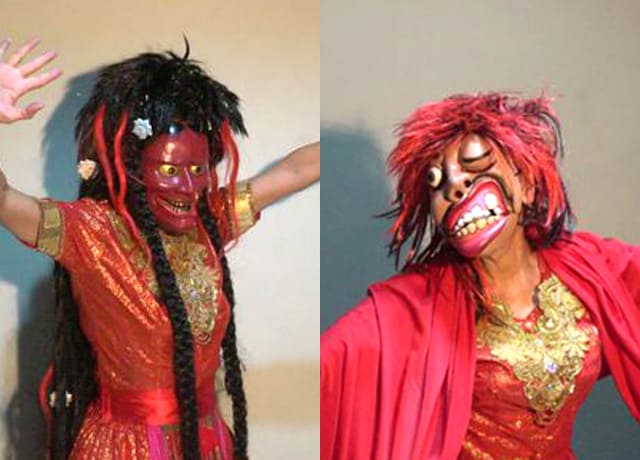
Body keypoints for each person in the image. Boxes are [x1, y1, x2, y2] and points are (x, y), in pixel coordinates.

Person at [0, 38, 319, 460]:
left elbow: (296, 170)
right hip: (123, 448)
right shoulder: (91, 232)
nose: (188, 187)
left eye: (198, 169)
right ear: (130, 168)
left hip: (207, 443)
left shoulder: (208, 222)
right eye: (169, 170)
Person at [321, 92, 640, 459]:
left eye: (474, 166)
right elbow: (327, 371)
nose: (454, 187)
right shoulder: (410, 308)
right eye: (436, 182)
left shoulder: (587, 265)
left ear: (526, 186)